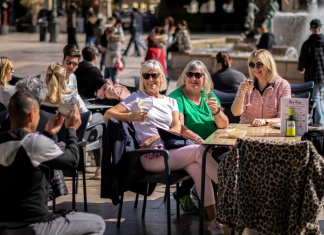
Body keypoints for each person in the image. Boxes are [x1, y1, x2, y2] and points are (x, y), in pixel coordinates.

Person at [104, 60, 225, 235]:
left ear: (162, 77)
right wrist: (131, 116)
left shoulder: (170, 101)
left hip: (170, 151)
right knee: (200, 151)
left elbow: (177, 127)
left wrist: (156, 135)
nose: (151, 79)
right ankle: (232, 190)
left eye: (155, 75)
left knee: (199, 169)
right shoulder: (137, 98)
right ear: (143, 78)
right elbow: (108, 115)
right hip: (149, 155)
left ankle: (214, 222)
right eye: (147, 75)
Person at [0, 91, 106, 235]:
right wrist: (71, 130)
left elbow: (29, 159)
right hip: (35, 224)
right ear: (32, 115)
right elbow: (73, 160)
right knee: (97, 224)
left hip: (5, 224)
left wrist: (48, 134)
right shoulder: (34, 142)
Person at [169, 60, 229, 214]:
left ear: (204, 78)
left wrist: (216, 111)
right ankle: (220, 198)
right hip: (187, 144)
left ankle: (203, 193)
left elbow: (223, 124)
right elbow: (179, 127)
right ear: (185, 77)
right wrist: (199, 140)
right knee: (206, 156)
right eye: (190, 74)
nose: (193, 78)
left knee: (230, 155)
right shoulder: (178, 97)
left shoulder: (208, 94)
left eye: (198, 75)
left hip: (212, 143)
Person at [44, 62, 104, 180]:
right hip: (72, 138)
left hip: (49, 137)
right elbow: (88, 118)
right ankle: (99, 168)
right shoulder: (73, 97)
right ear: (64, 78)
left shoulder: (39, 98)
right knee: (99, 118)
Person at [231, 49, 291, 126]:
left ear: (269, 65)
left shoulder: (282, 85)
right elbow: (236, 113)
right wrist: (242, 94)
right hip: (246, 132)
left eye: (259, 64)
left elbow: (284, 117)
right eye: (252, 65)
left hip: (270, 132)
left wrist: (265, 121)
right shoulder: (246, 84)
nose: (255, 68)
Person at [298, 19, 324, 126]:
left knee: (315, 97)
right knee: (319, 96)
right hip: (323, 74)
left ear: (310, 29)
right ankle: (320, 121)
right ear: (320, 28)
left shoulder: (307, 43)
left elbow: (302, 58)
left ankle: (319, 122)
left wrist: (301, 68)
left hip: (312, 75)